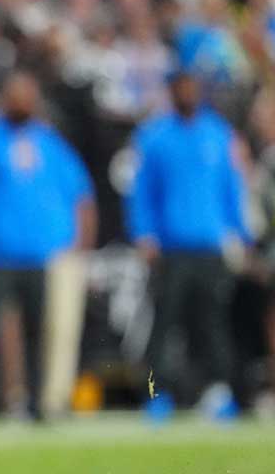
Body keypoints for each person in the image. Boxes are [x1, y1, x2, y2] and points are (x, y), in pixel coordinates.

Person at [0, 72, 96, 420]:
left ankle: (38, 403)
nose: (23, 103)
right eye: (17, 96)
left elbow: (81, 193)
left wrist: (80, 242)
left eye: (28, 97)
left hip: (42, 253)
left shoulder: (49, 141)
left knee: (38, 332)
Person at [128, 69, 248, 422]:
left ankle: (217, 391)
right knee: (165, 323)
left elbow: (231, 189)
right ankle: (156, 394)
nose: (187, 94)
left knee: (213, 323)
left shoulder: (218, 133)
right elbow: (142, 193)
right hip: (171, 247)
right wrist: (144, 233)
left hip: (210, 246)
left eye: (192, 88)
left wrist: (239, 232)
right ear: (171, 92)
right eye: (181, 88)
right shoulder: (155, 137)